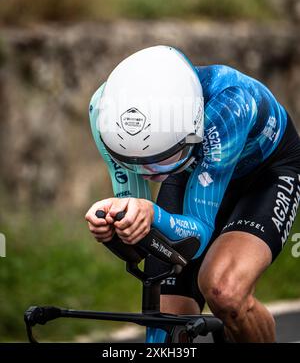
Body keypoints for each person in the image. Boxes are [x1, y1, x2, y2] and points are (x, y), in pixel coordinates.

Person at [85, 45, 300, 343]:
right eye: (132, 162)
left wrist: (153, 214)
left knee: (224, 291)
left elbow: (194, 239)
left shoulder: (229, 106)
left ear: (192, 129)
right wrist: (115, 225)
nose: (148, 174)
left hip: (264, 174)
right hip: (192, 168)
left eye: (161, 161)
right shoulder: (103, 110)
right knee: (167, 321)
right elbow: (141, 236)